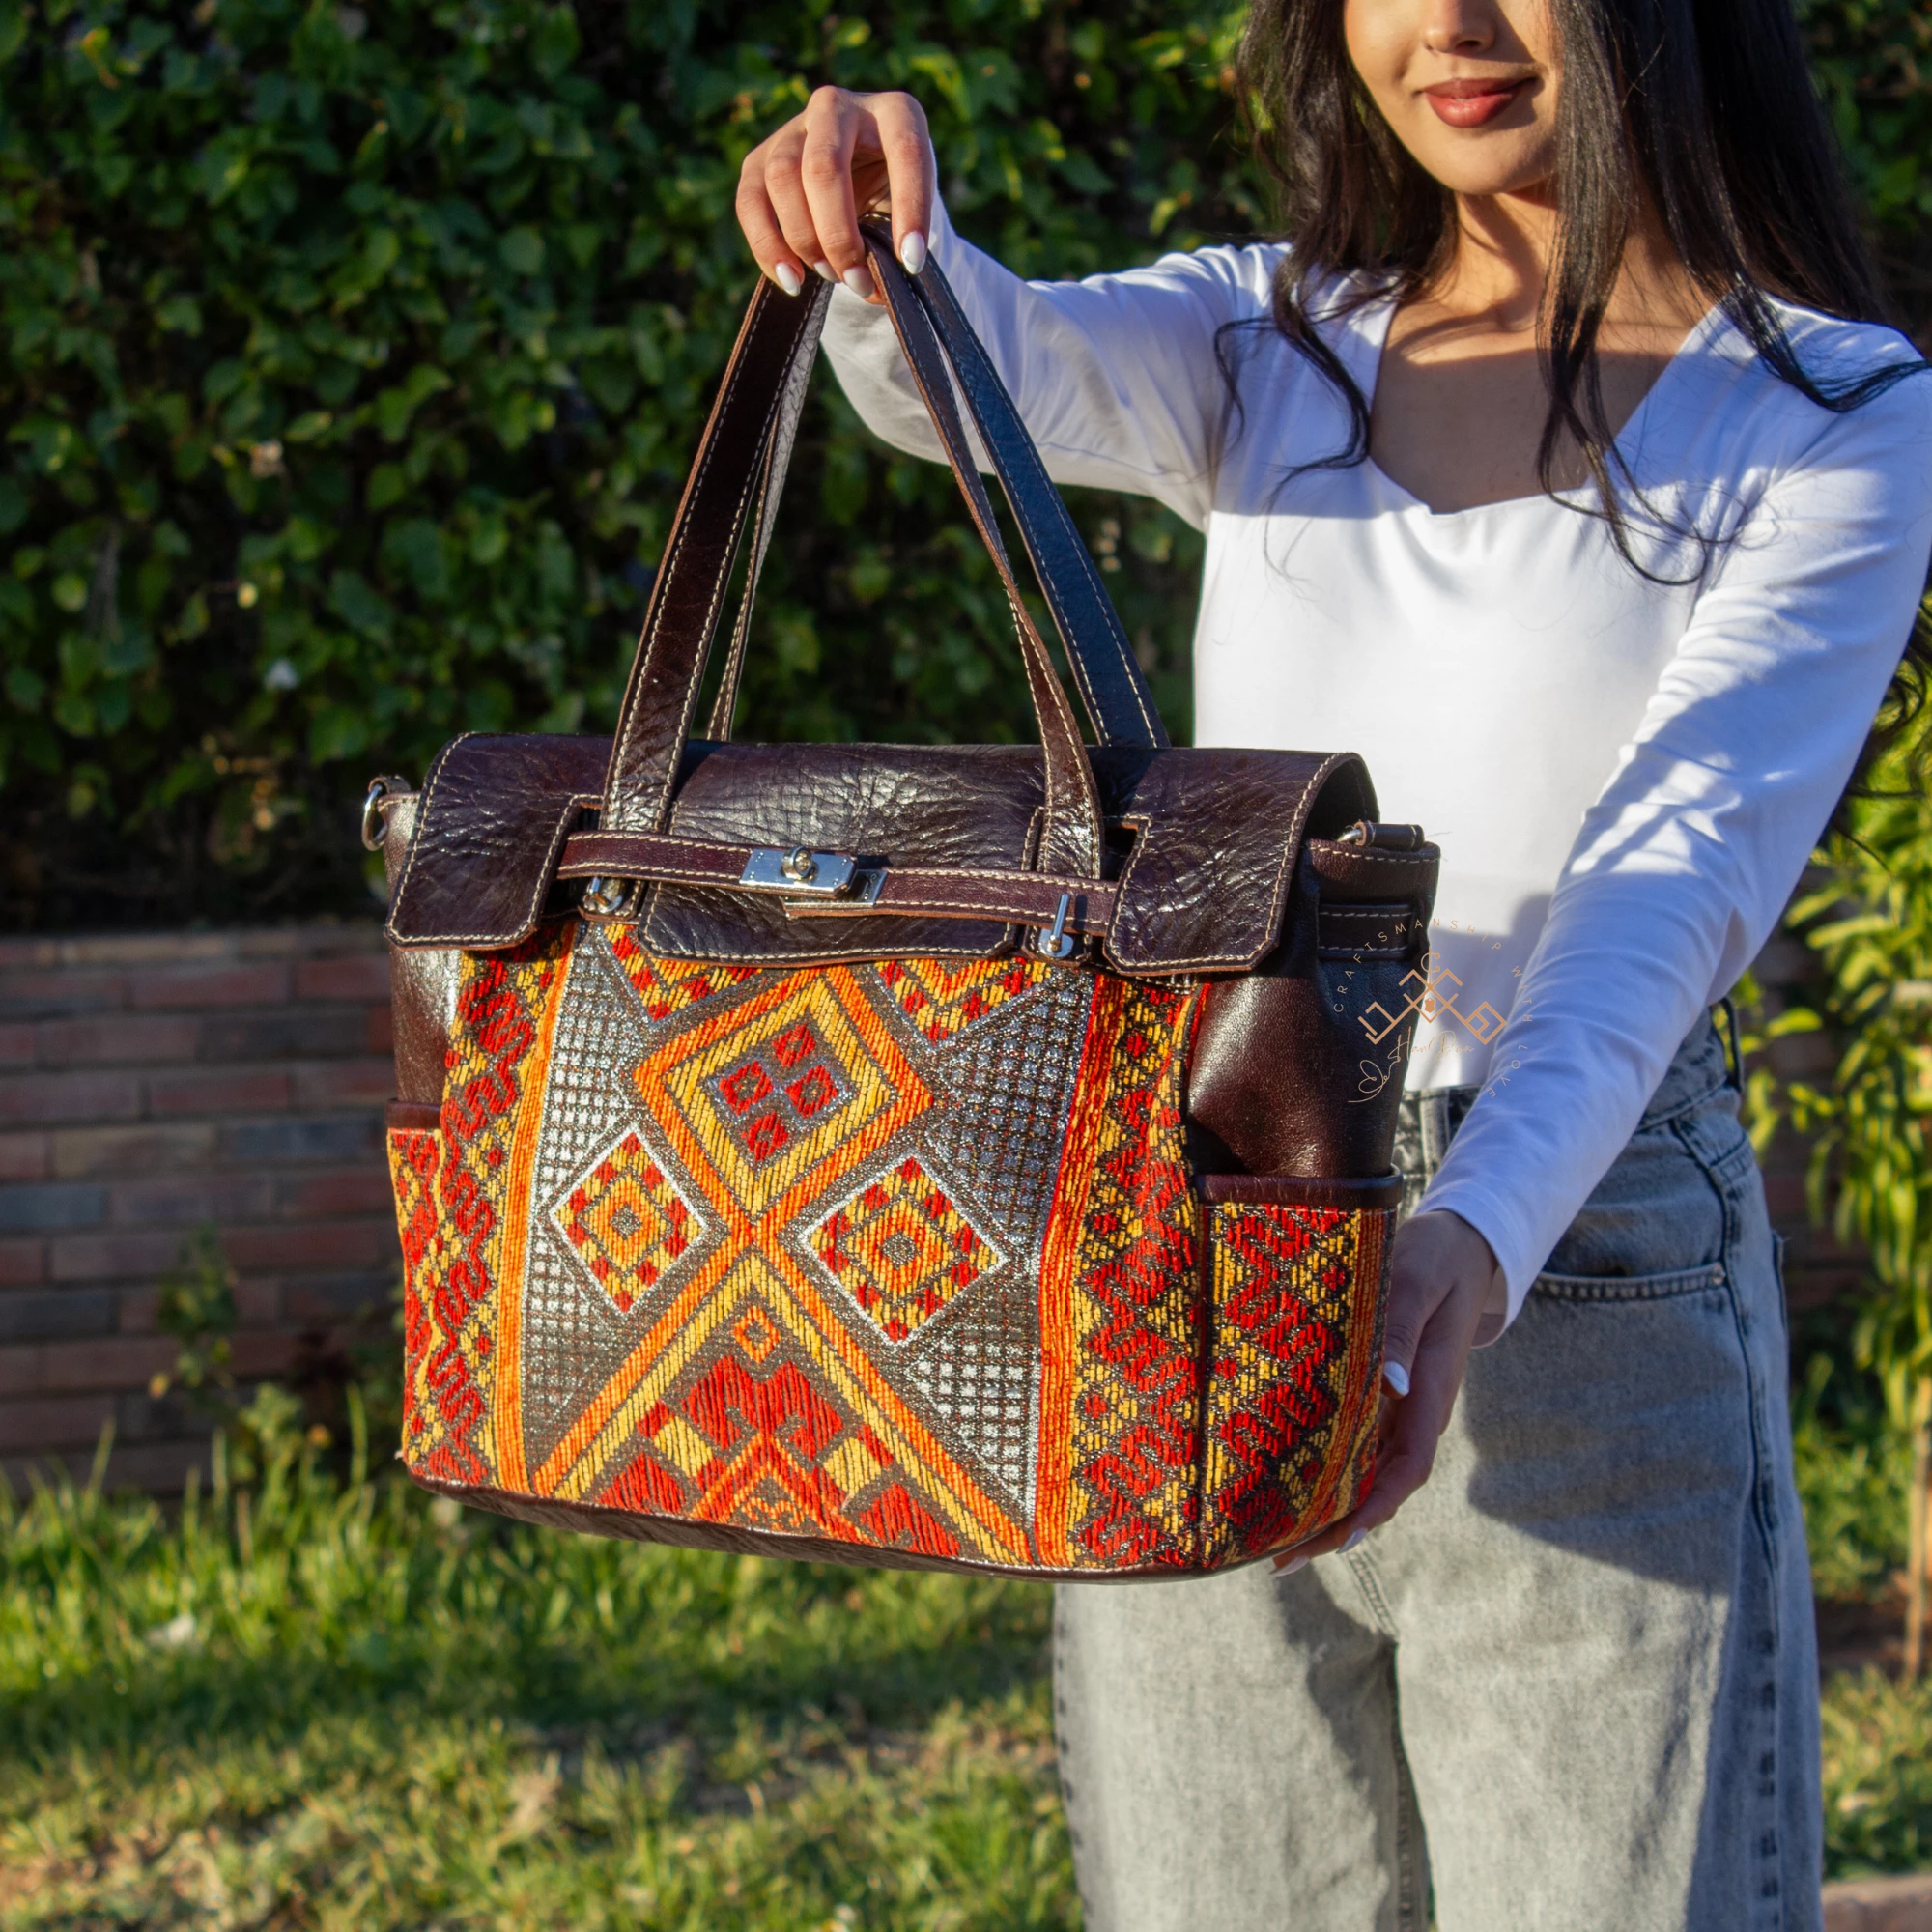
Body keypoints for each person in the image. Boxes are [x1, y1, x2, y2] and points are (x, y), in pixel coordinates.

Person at [731, 0, 1932, 1923]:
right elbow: (986, 368)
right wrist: (888, 229)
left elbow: (1663, 887)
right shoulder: (1263, 337)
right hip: (1200, 1216)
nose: (1447, 26)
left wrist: (1473, 1227)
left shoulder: (1829, 411)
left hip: (1574, 1254)